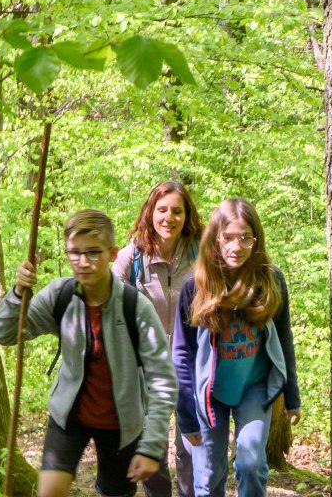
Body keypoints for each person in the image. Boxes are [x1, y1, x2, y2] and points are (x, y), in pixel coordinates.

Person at [0, 209, 177, 497]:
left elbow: (162, 379)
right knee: (50, 492)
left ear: (112, 253)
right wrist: (17, 293)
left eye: (93, 252)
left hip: (121, 423)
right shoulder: (60, 296)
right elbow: (2, 333)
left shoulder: (135, 307)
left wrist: (151, 447)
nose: (83, 262)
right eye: (74, 253)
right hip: (69, 417)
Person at [171, 198, 301, 497]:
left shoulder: (270, 280)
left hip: (253, 387)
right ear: (215, 239)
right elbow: (182, 354)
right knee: (208, 476)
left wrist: (292, 397)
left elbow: (283, 338)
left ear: (256, 240)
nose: (236, 246)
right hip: (209, 393)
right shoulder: (196, 285)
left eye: (245, 238)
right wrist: (186, 415)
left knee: (251, 464)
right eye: (228, 237)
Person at [112, 180, 203, 497]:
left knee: (191, 445)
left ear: (187, 215)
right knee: (153, 447)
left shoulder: (202, 255)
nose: (169, 218)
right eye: (162, 210)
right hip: (147, 366)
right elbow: (106, 302)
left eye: (177, 211)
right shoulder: (131, 258)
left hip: (192, 363)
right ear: (150, 213)